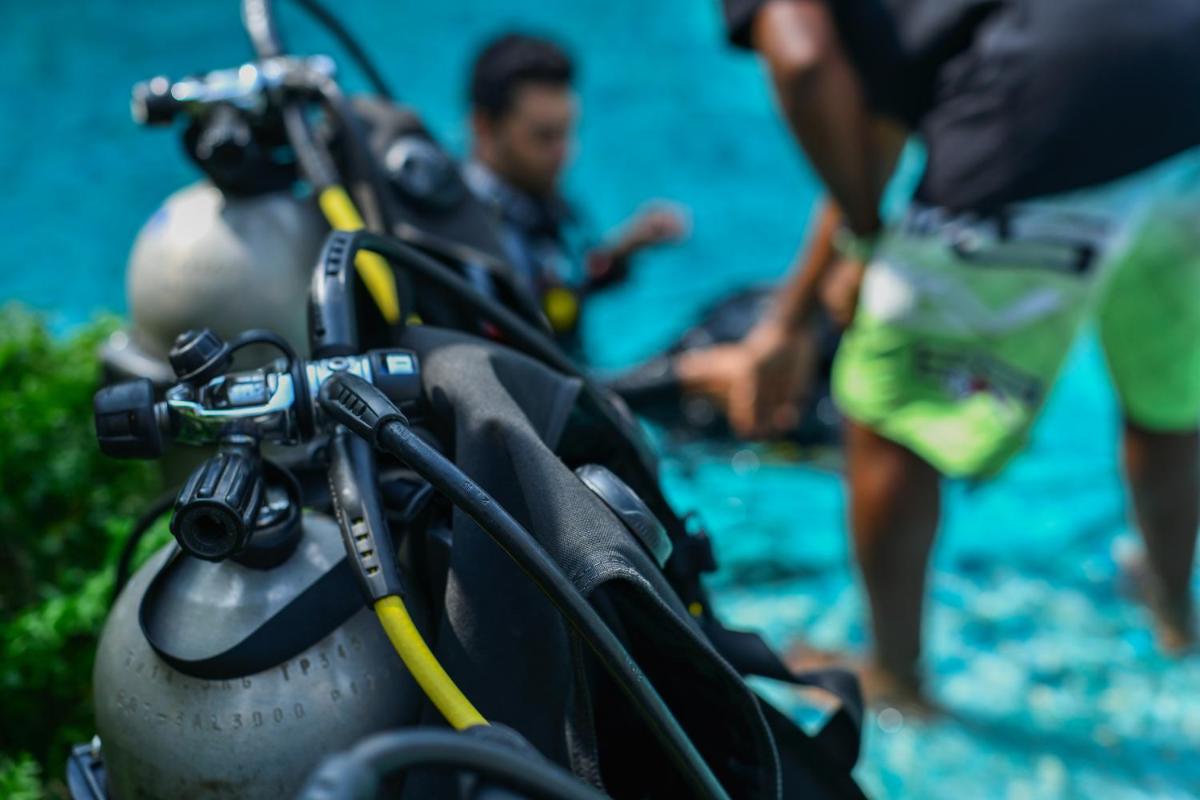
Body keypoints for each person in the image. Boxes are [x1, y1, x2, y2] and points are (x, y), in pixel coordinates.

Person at [681, 0, 1200, 706]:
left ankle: (895, 679)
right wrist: (797, 311)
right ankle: (1172, 611)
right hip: (1184, 87)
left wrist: (863, 242)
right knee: (1168, 386)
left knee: (885, 415)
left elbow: (804, 67)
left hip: (1039, 110)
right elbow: (892, 106)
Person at [463, 33, 688, 348]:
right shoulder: (465, 234)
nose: (565, 153)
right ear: (483, 127)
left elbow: (559, 287)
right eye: (544, 137)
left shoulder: (530, 200)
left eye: (568, 133)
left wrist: (624, 249)